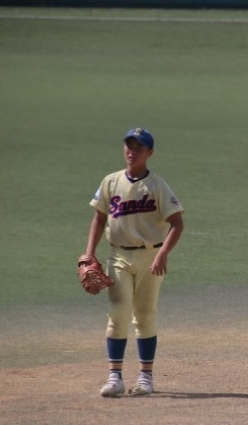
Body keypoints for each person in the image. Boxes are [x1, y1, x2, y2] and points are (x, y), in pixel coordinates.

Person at [83, 128, 185, 397]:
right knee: (118, 313)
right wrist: (89, 253)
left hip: (151, 258)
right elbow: (99, 218)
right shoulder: (111, 182)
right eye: (129, 146)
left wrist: (163, 254)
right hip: (118, 256)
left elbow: (177, 223)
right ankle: (114, 377)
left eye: (139, 147)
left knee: (145, 314)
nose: (132, 151)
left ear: (150, 153)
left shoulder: (157, 186)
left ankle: (145, 378)